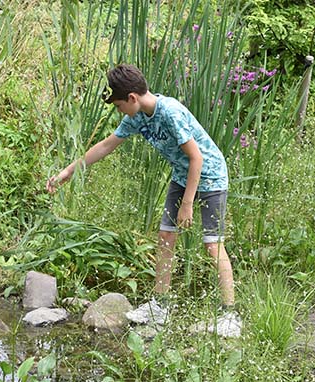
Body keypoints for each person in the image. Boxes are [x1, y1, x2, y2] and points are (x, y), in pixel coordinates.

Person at [46, 64, 237, 328]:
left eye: (118, 105)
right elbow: (106, 145)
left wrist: (187, 204)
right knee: (166, 236)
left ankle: (229, 315)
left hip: (210, 175)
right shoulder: (136, 117)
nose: (119, 110)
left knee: (212, 244)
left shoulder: (169, 112)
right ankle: (161, 306)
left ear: (132, 98)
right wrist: (68, 172)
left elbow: (197, 158)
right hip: (182, 175)